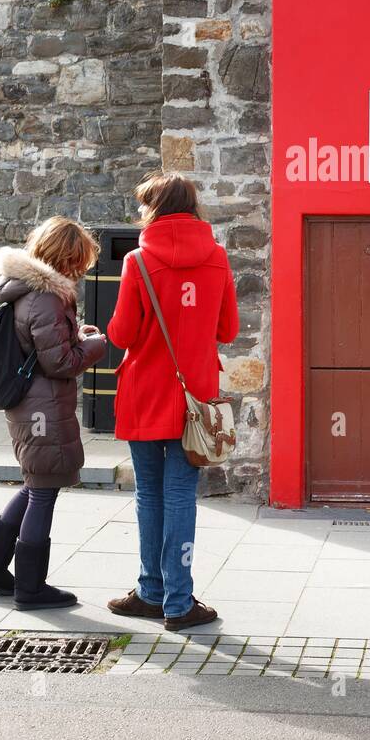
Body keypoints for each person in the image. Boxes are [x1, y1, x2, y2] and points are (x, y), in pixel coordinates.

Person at [105, 172, 239, 632]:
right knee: (181, 494)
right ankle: (179, 603)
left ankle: (151, 591)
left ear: (154, 209)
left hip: (145, 392)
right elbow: (228, 330)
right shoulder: (218, 258)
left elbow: (120, 334)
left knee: (149, 493)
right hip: (194, 397)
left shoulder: (138, 260)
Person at [0, 217, 107, 608]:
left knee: (34, 484)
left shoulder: (29, 291)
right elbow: (60, 363)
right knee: (43, 490)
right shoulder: (45, 297)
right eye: (80, 260)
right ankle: (31, 588)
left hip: (32, 403)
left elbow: (43, 348)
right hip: (40, 406)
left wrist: (78, 334)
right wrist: (97, 345)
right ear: (67, 257)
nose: (81, 269)